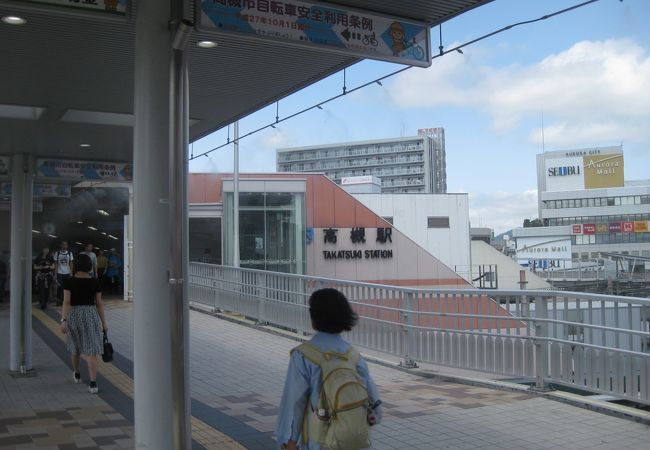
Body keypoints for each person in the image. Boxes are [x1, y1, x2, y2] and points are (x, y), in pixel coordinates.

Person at [276, 288, 382, 450]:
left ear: (313, 318)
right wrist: (371, 416)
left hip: (319, 442)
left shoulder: (304, 355)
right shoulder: (353, 356)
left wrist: (287, 440)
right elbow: (375, 404)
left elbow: (294, 404)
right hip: (354, 442)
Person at [59, 253, 107, 394]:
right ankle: (93, 383)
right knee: (92, 351)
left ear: (76, 265)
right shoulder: (95, 281)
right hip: (91, 315)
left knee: (75, 347)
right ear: (89, 266)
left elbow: (66, 302)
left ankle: (77, 373)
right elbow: (99, 304)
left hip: (74, 315)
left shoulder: (68, 281)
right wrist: (104, 323)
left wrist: (63, 320)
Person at [53, 241, 74, 306]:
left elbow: (71, 263)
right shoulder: (57, 253)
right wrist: (55, 274)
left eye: (65, 245)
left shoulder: (70, 253)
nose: (64, 246)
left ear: (67, 246)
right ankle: (59, 300)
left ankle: (65, 300)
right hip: (59, 272)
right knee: (60, 287)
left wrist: (71, 273)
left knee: (66, 287)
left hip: (67, 273)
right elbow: (56, 264)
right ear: (61, 245)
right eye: (63, 244)